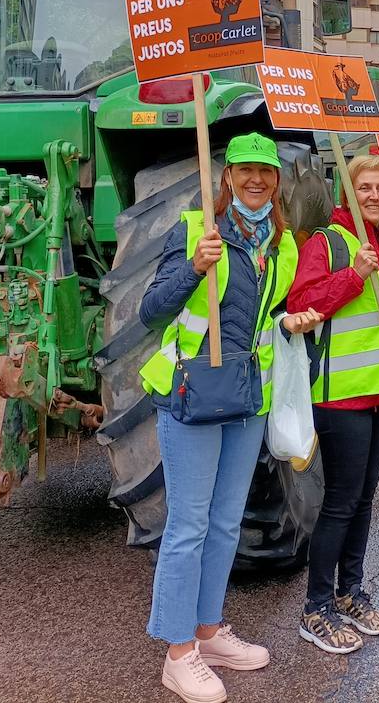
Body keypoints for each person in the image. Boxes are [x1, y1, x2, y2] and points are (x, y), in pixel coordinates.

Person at [138, 133, 323, 703]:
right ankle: (177, 654)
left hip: (247, 400)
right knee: (188, 527)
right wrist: (195, 267)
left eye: (265, 174)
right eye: (244, 171)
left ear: (277, 183)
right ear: (227, 179)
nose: (255, 181)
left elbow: (274, 317)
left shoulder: (284, 247)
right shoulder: (198, 232)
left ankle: (209, 631)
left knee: (223, 523)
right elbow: (151, 311)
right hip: (191, 395)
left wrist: (295, 322)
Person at [288, 155, 379, 656]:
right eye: (365, 188)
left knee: (363, 500)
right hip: (338, 395)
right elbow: (300, 305)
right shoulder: (329, 242)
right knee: (339, 502)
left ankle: (349, 590)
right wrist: (353, 276)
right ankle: (316, 608)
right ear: (348, 194)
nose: (374, 196)